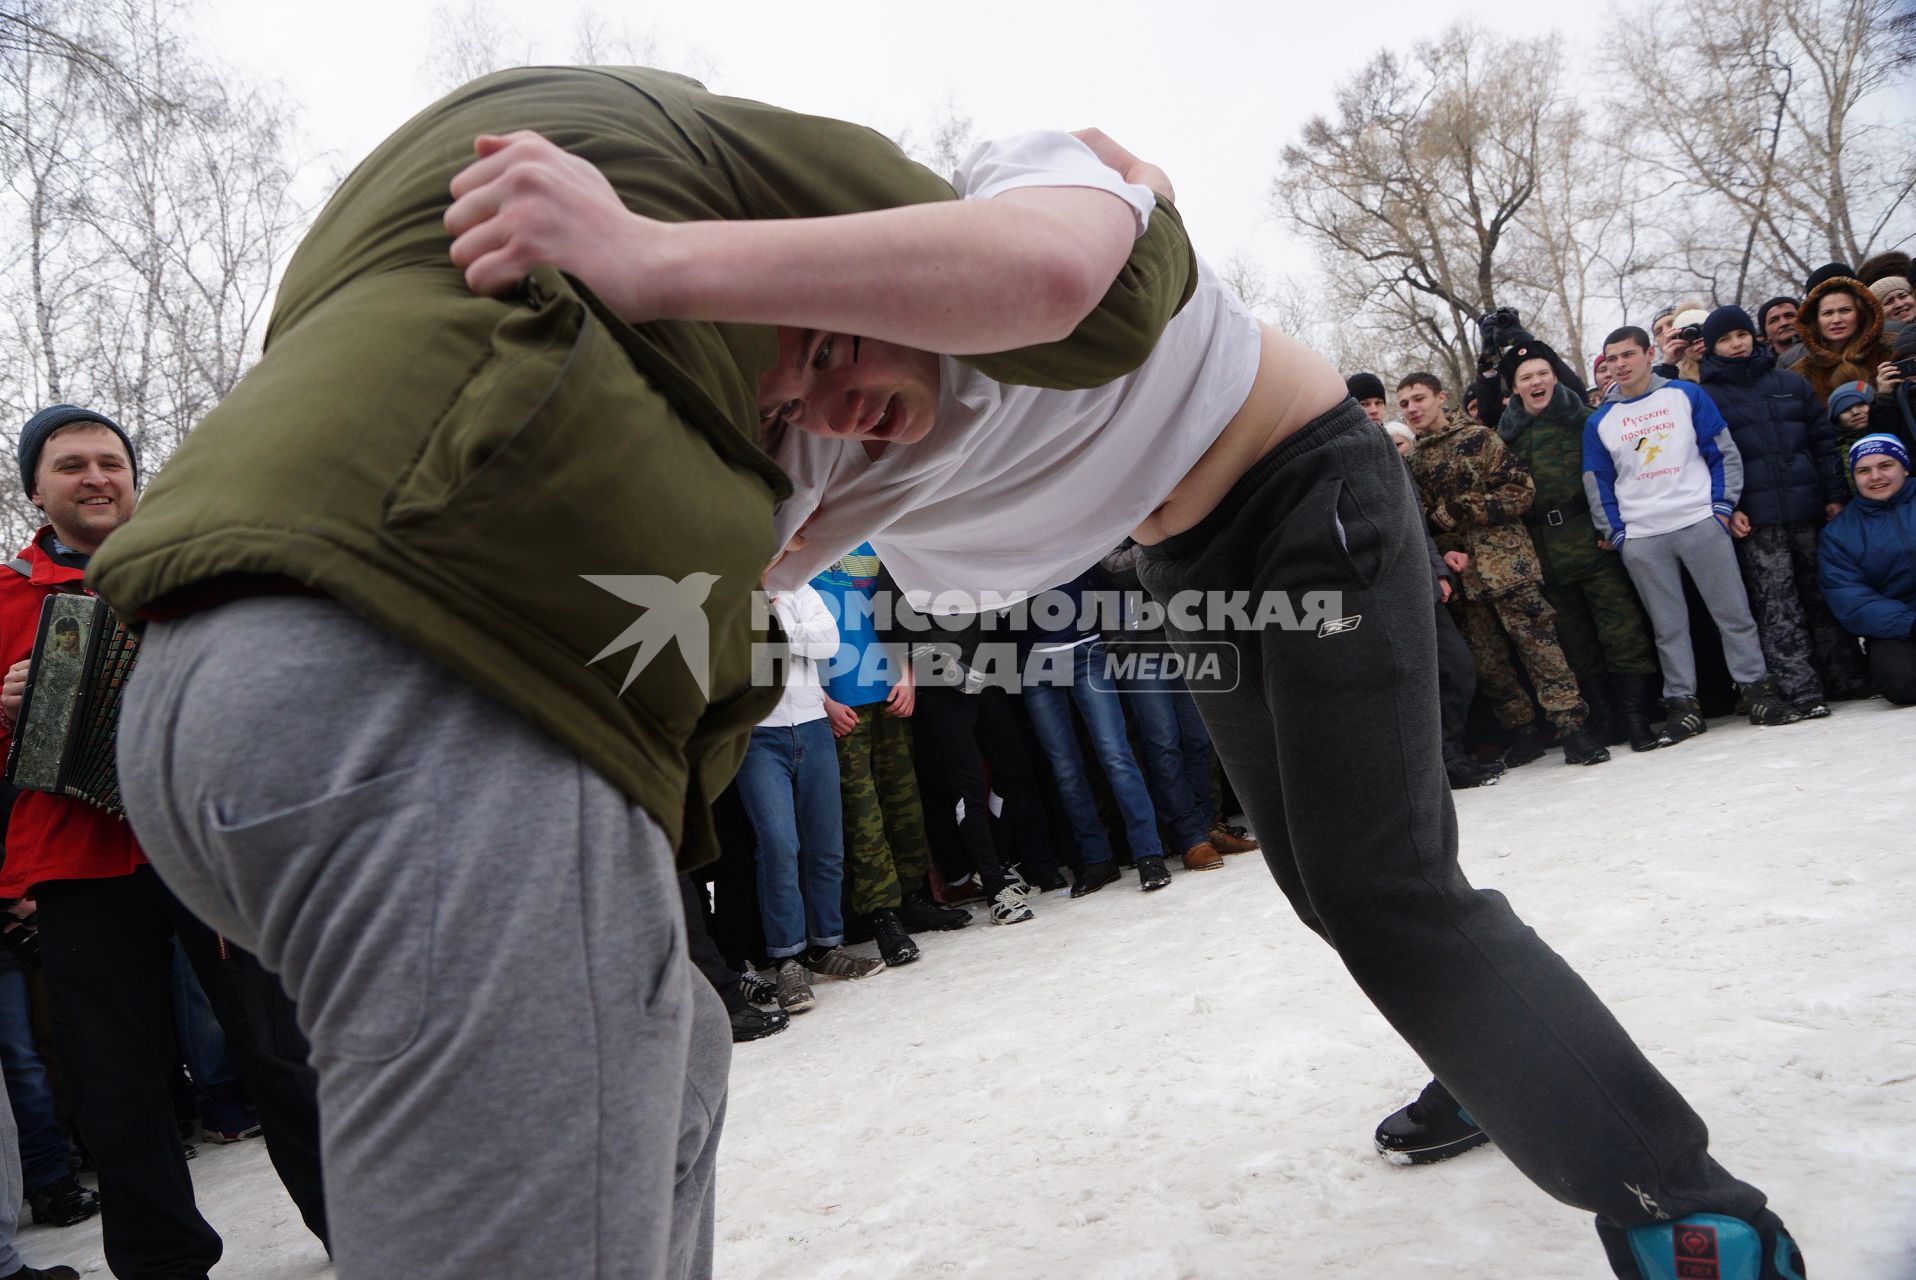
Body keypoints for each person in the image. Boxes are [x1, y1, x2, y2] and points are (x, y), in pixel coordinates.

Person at [98, 72, 1804, 1278]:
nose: (840, 394)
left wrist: (648, 253)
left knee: (1378, 878)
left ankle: (1672, 1191)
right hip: (1187, 562)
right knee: (1332, 880)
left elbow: (1061, 268)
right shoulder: (827, 442)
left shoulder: (1009, 185)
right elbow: (704, 568)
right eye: (807, 385)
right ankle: (1480, 1052)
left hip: (1309, 495)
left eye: (850, 336)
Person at [91, 69, 1198, 1280]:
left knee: (668, 1086)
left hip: (207, 698)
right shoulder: (699, 178)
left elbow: (767, 536)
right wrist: (1129, 192)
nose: (825, 406)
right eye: (817, 351)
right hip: (434, 690)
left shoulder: (463, 269)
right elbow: (1077, 289)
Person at [0, 405, 328, 1279]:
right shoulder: (5, 599)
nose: (97, 476)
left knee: (282, 1052)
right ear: (35, 487)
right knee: (115, 1082)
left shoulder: (190, 574)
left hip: (210, 847)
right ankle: (163, 1263)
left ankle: (367, 1221)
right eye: (71, 464)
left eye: (111, 461)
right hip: (77, 866)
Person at [1582, 329, 1802, 741]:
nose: (1620, 365)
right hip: (1644, 535)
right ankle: (1682, 704)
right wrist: (1618, 532)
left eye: (1628, 354)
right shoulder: (1601, 420)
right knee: (1668, 627)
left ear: (1649, 354)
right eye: (1612, 359)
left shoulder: (1685, 396)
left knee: (1733, 613)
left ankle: (1758, 691)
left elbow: (1722, 451)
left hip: (1699, 519)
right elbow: (1598, 481)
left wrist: (1721, 508)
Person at [1400, 372, 1608, 766]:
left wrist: (1467, 507)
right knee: (1489, 662)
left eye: (1419, 399)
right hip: (1468, 577)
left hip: (1508, 563)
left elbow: (1520, 491)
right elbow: (1429, 522)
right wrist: (1447, 550)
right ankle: (1522, 732)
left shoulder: (1480, 439)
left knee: (1540, 647)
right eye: (1405, 403)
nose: (1412, 409)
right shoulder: (1416, 462)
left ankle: (1573, 728)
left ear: (1441, 398)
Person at [1697, 306, 1869, 715]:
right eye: (1725, 339)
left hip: (1808, 507)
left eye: (1741, 334)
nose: (1736, 344)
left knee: (1822, 594)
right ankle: (1800, 689)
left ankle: (1846, 678)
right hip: (1757, 517)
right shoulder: (1705, 396)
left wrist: (1834, 493)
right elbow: (1705, 459)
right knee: (1777, 604)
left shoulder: (1791, 383)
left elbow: (1822, 441)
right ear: (1712, 347)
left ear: (1754, 336)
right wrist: (1729, 506)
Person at [1497, 341, 1663, 752]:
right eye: (1525, 378)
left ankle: (1636, 716)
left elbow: (1618, 478)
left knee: (1622, 631)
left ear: (1555, 376)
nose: (1536, 382)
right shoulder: (1504, 439)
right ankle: (1605, 718)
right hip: (1545, 556)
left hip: (1594, 544)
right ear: (1515, 388)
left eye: (1542, 373)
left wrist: (1613, 528)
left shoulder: (1588, 421)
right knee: (1575, 642)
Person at [736, 581, 884, 1013]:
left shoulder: (799, 587)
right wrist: (787, 624)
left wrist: (777, 623)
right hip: (758, 736)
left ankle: (826, 948)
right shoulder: (729, 593)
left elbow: (828, 642)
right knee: (779, 846)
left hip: (813, 725)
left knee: (826, 844)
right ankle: (787, 961)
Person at [813, 544, 942, 967]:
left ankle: (912, 897)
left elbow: (897, 608)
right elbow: (780, 630)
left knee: (905, 804)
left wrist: (908, 675)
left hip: (889, 687)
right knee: (862, 813)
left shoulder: (874, 537)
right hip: (839, 701)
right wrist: (821, 700)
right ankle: (882, 915)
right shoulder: (795, 546)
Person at [1818, 434, 1916, 704]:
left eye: (1886, 466)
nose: (1875, 476)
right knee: (1900, 682)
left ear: (1904, 467)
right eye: (1864, 470)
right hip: (1900, 628)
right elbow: (1850, 597)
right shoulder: (1840, 532)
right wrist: (1909, 623)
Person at [1794, 271, 1894, 403]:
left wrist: (1886, 396)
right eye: (1828, 313)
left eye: (1845, 310)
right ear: (1816, 321)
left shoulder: (1891, 350)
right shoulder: (1801, 374)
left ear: (1860, 315)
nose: (1836, 320)